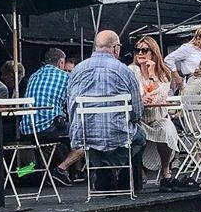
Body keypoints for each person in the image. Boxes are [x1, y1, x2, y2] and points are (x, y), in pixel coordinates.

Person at [67, 30, 145, 189]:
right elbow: (136, 111)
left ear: (96, 46)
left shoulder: (77, 70)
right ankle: (122, 178)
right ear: (116, 48)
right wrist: (132, 120)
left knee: (93, 141)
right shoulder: (125, 71)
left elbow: (71, 106)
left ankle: (103, 171)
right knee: (141, 137)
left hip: (84, 134)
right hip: (118, 134)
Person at [131, 36, 188, 190]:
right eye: (137, 50)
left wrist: (151, 74)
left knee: (167, 129)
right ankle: (138, 170)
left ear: (153, 52)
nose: (140, 53)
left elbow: (161, 96)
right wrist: (140, 99)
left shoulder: (163, 73)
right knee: (133, 131)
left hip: (157, 115)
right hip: (138, 117)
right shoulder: (131, 71)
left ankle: (165, 170)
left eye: (144, 50)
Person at [23, 48, 84, 186]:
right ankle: (61, 170)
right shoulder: (65, 77)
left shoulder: (34, 76)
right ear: (61, 62)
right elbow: (73, 103)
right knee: (86, 135)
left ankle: (28, 172)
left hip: (28, 128)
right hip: (48, 127)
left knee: (69, 133)